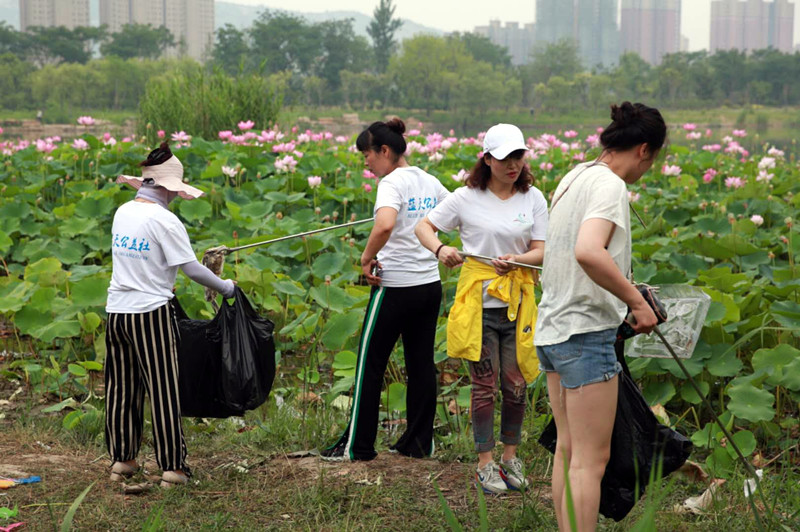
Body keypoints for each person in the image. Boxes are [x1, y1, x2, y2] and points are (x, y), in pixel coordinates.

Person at [534, 102, 667, 531]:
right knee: (591, 461)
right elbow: (589, 252)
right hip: (585, 333)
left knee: (569, 451)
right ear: (644, 149)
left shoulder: (575, 176)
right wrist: (638, 302)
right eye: (654, 160)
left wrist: (625, 289)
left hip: (553, 328)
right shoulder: (609, 185)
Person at [415, 124, 548, 494]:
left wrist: (519, 259)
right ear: (487, 159)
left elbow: (542, 248)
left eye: (519, 156)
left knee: (517, 383)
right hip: (480, 304)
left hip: (517, 303)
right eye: (505, 158)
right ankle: (485, 463)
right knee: (484, 386)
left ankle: (510, 456)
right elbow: (424, 227)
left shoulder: (533, 198)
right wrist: (441, 250)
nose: (513, 165)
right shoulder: (465, 197)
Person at [106, 141, 235, 488]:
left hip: (116, 312)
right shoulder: (166, 220)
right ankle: (173, 469)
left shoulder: (123, 212)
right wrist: (226, 287)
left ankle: (123, 460)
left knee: (122, 387)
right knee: (163, 388)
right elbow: (192, 269)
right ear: (167, 187)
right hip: (150, 314)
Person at [321, 118, 449, 461]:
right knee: (421, 364)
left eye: (367, 155)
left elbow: (386, 223)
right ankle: (419, 443)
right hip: (429, 286)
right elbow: (451, 215)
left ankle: (357, 447)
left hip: (395, 287)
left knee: (370, 363)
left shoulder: (391, 183)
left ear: (385, 151)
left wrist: (367, 257)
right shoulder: (428, 180)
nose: (366, 162)